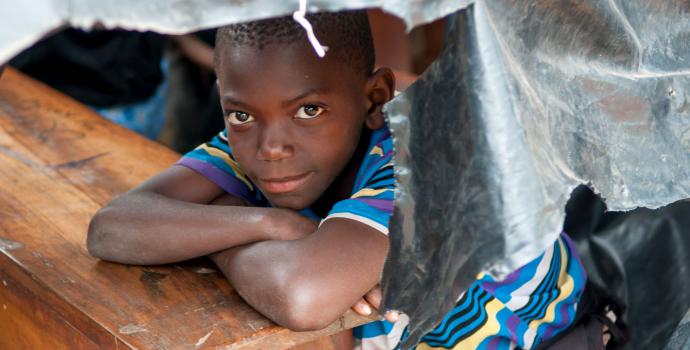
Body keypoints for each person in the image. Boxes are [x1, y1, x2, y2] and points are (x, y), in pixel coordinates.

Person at [87, 10, 588, 349]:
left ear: (374, 99)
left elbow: (301, 295)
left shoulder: (433, 160)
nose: (271, 148)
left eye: (309, 109)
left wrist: (214, 223)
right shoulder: (262, 137)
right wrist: (269, 226)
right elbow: (112, 227)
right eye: (240, 115)